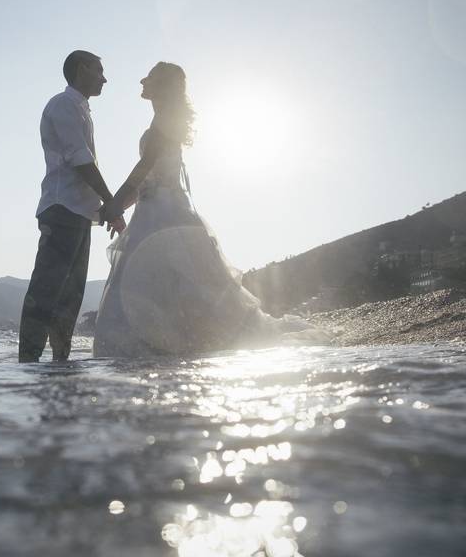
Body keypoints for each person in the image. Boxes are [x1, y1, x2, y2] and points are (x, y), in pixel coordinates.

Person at [93, 62, 326, 357]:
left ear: (161, 85)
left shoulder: (164, 121)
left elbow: (145, 168)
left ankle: (163, 349)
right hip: (156, 208)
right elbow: (146, 181)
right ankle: (167, 348)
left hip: (164, 215)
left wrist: (114, 202)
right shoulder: (164, 120)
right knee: (159, 283)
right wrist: (118, 208)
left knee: (158, 283)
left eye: (150, 78)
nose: (143, 82)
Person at [18, 50, 124, 363]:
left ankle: (60, 364)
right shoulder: (63, 104)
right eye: (99, 71)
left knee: (71, 296)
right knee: (47, 289)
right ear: (81, 69)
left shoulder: (81, 109)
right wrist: (111, 201)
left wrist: (104, 206)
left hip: (80, 214)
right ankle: (28, 363)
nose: (104, 78)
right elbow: (79, 159)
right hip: (62, 208)